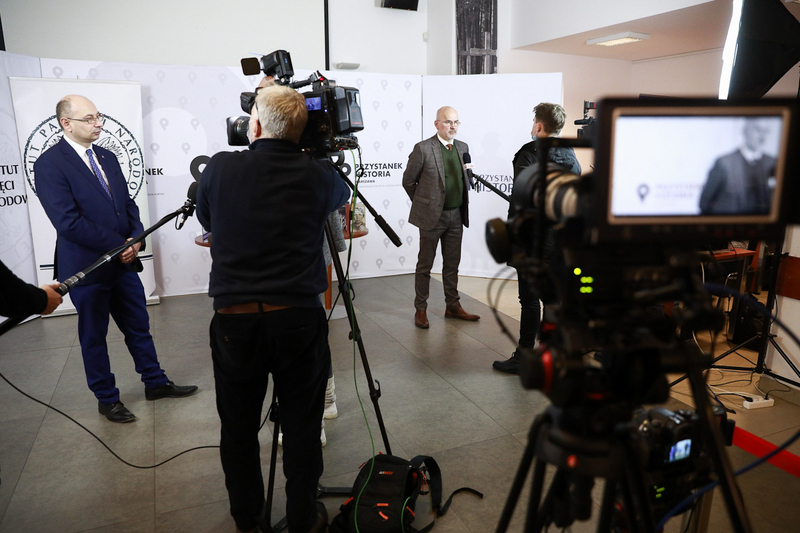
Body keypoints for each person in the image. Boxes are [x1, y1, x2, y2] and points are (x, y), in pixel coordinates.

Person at [196, 84, 349, 533]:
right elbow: (338, 199)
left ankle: (248, 521)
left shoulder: (219, 167)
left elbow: (208, 220)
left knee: (238, 429)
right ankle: (303, 518)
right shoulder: (321, 175)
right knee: (303, 427)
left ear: (256, 125)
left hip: (235, 321)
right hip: (298, 319)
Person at [33, 95, 197, 423]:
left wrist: (135, 238)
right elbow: (67, 222)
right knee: (94, 336)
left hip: (123, 263)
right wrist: (118, 244)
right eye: (89, 119)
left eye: (99, 117)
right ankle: (107, 399)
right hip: (87, 267)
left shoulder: (107, 156)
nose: (98, 124)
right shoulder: (49, 164)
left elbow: (127, 204)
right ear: (66, 123)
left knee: (139, 326)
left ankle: (155, 382)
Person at [493, 102, 581, 374]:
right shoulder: (571, 156)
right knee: (553, 301)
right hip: (560, 244)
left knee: (529, 301)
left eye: (534, 121)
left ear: (539, 125)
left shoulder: (528, 154)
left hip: (532, 242)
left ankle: (524, 356)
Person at [402, 106, 480, 329]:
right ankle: (421, 308)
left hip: (456, 215)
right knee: (425, 265)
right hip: (432, 217)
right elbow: (408, 181)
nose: (452, 126)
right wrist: (425, 203)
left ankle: (453, 306)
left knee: (452, 264)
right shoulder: (423, 148)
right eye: (447, 122)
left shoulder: (463, 148)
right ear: (437, 124)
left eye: (456, 122)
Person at [699, 118, 777, 215]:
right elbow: (704, 203)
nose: (762, 136)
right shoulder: (724, 163)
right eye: (757, 129)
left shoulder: (773, 163)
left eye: (766, 131)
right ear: (745, 131)